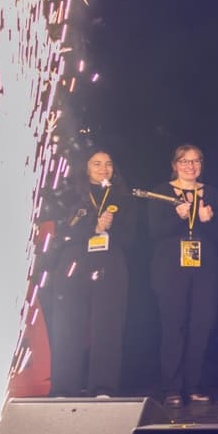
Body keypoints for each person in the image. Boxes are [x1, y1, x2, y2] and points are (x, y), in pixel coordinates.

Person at [49, 149, 130, 398]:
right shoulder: (71, 194)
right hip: (74, 263)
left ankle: (103, 387)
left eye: (108, 163)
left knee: (107, 326)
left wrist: (112, 227)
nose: (103, 168)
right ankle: (64, 387)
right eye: (97, 163)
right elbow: (62, 231)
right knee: (68, 325)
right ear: (85, 167)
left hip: (110, 264)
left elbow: (132, 236)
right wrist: (93, 227)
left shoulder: (122, 196)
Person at [146, 144, 218, 408]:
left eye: (195, 161)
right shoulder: (161, 193)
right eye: (184, 161)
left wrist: (206, 220)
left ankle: (194, 386)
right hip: (169, 269)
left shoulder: (211, 193)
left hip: (205, 268)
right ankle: (172, 388)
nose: (190, 166)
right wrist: (177, 217)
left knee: (202, 324)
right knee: (173, 325)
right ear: (174, 165)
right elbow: (154, 232)